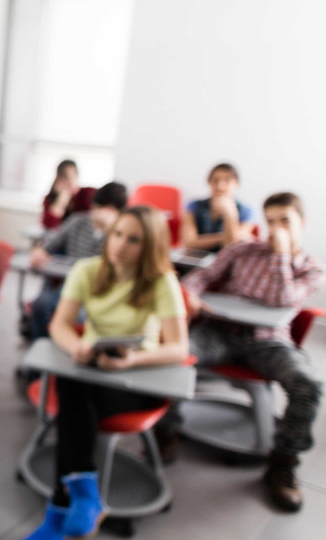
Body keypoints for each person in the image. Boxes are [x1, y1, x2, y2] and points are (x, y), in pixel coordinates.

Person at [26, 206, 189, 540]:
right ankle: (83, 496)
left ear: (149, 247)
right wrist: (77, 348)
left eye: (133, 240)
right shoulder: (87, 269)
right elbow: (59, 325)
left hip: (136, 377)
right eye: (117, 234)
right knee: (74, 384)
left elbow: (178, 349)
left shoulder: (162, 281)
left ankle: (60, 509)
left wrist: (130, 361)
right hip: (92, 367)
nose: (120, 245)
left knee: (72, 399)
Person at [163, 192, 324, 512]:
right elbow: (200, 277)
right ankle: (164, 435)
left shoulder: (310, 268)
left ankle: (282, 464)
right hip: (219, 332)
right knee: (174, 358)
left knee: (307, 384)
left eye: (285, 221)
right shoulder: (241, 249)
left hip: (267, 340)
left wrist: (280, 254)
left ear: (301, 224)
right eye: (272, 221)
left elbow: (283, 299)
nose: (276, 228)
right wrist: (191, 295)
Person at [28, 182, 129, 340]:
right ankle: (42, 348)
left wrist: (111, 230)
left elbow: (118, 269)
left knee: (83, 317)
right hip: (67, 285)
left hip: (99, 291)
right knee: (42, 304)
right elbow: (48, 246)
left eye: (105, 210)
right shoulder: (78, 221)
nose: (97, 214)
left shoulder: (122, 234)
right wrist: (40, 252)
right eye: (96, 208)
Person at [180, 163, 255, 252]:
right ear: (209, 182)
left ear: (236, 183)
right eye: (215, 180)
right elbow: (189, 243)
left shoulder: (246, 210)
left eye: (227, 180)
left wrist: (229, 213)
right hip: (198, 257)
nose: (220, 185)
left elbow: (233, 244)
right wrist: (225, 237)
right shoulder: (194, 205)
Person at [41, 159, 96, 230]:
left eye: (71, 177)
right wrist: (60, 202)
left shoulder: (88, 193)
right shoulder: (50, 198)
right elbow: (49, 227)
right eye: (63, 178)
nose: (68, 182)